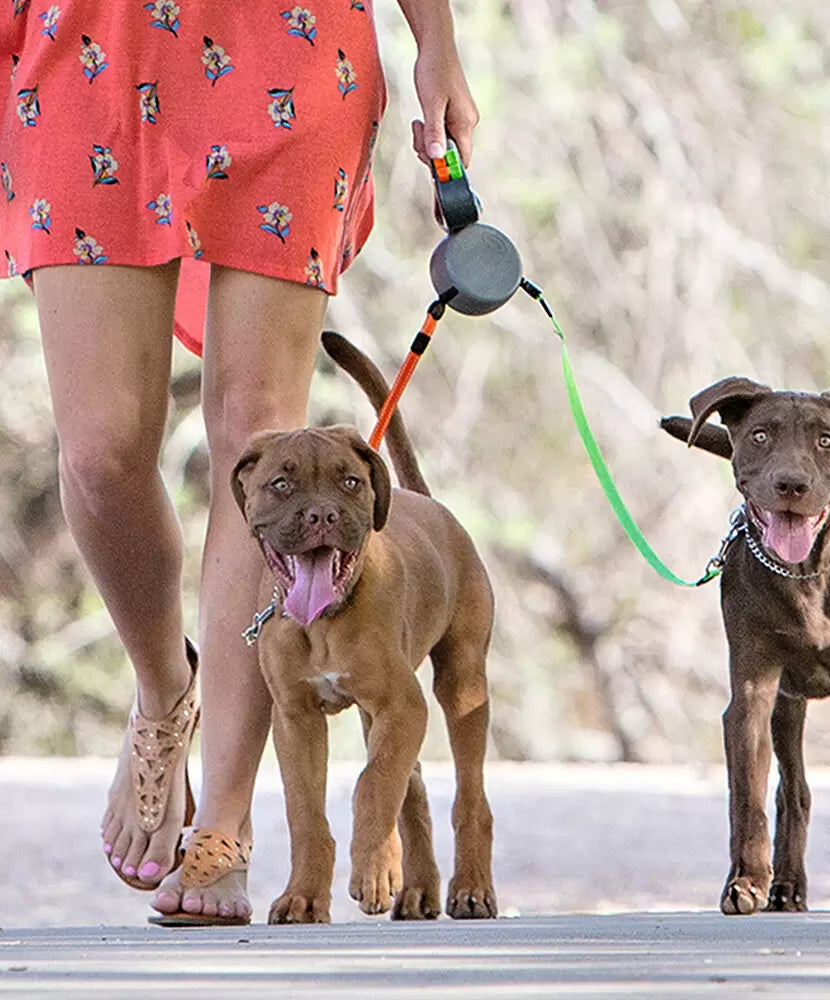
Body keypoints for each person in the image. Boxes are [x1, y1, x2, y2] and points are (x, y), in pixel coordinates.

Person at [0, 1, 478, 924]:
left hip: (289, 40)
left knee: (258, 431)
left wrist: (438, 44)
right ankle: (164, 688)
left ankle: (223, 822)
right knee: (101, 451)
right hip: (89, 41)